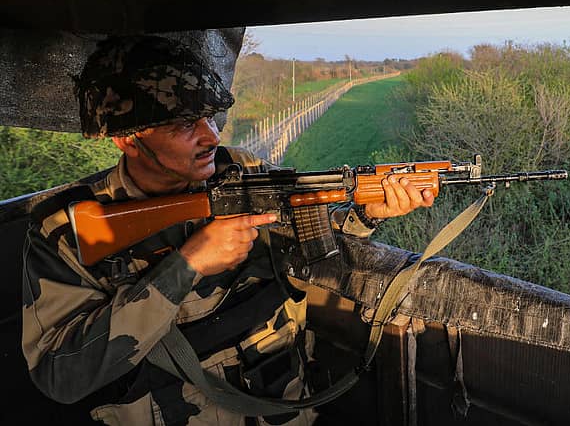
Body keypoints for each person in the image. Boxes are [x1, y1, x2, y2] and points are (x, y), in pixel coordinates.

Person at [21, 34, 434, 425]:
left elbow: (310, 248)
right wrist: (187, 265)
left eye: (211, 118)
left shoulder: (243, 170)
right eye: (185, 124)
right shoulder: (66, 229)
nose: (211, 136)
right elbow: (61, 375)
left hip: (280, 404)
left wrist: (367, 213)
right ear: (128, 139)